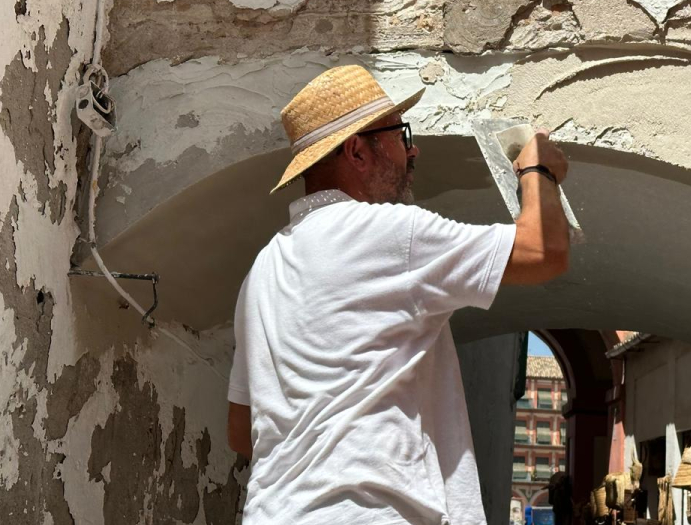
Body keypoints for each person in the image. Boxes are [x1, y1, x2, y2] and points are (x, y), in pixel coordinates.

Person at [226, 65, 572, 525]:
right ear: (357, 151)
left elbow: (240, 431)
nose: (413, 149)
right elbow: (543, 249)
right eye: (399, 134)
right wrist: (538, 168)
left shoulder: (262, 270)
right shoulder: (388, 233)